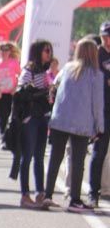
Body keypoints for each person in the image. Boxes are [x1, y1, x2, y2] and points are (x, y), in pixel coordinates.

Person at [43, 39, 105, 211]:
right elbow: (97, 104)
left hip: (60, 119)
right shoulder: (96, 75)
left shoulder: (67, 69)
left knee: (55, 158)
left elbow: (54, 86)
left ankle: (47, 195)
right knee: (78, 161)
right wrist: (100, 127)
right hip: (81, 123)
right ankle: (74, 200)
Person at [14, 40, 55, 209]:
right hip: (30, 118)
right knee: (28, 156)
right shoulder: (29, 70)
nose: (49, 54)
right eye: (46, 50)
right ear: (38, 52)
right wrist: (43, 92)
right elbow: (21, 91)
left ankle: (41, 193)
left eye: (50, 50)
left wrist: (51, 90)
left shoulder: (45, 71)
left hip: (42, 117)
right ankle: (25, 195)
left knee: (39, 157)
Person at [90, 21, 110, 207]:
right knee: (99, 152)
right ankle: (93, 193)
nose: (107, 39)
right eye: (104, 36)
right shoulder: (96, 54)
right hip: (102, 111)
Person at [0, 42, 20, 135]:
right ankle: (3, 137)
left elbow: (21, 75)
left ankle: (10, 136)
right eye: (2, 50)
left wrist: (15, 88)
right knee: (2, 115)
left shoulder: (14, 62)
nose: (4, 52)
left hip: (11, 93)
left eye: (6, 50)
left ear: (9, 52)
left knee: (11, 115)